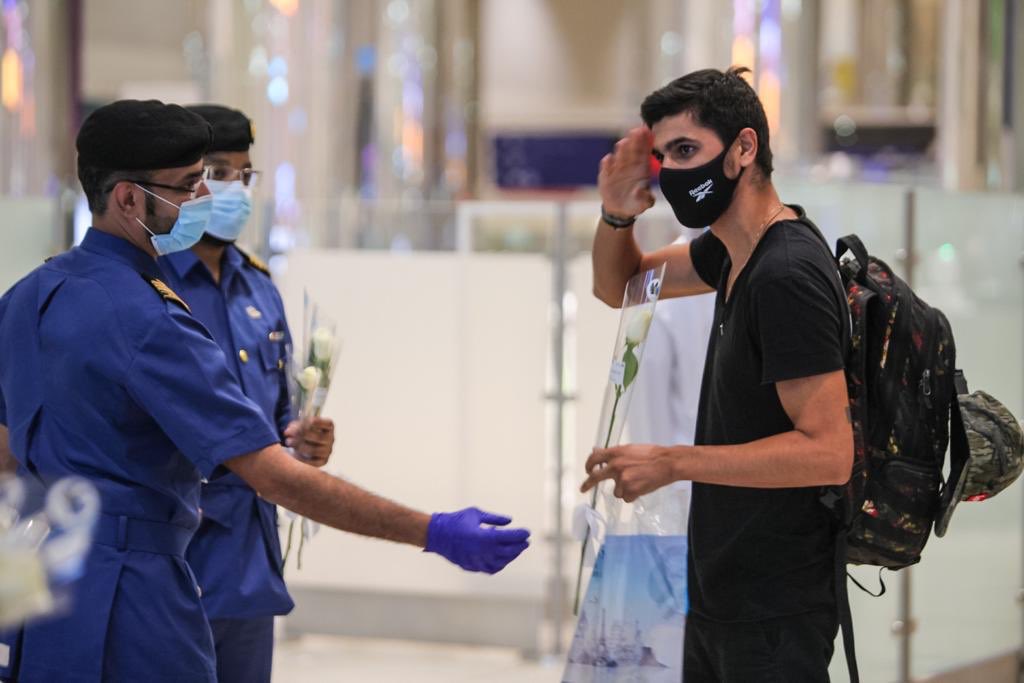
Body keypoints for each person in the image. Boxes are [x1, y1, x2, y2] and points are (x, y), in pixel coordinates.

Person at [0, 99, 529, 682]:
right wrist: (431, 530)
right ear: (128, 198)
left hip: (48, 586)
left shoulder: (28, 296)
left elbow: (5, 456)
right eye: (186, 186)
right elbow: (273, 474)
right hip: (136, 597)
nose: (203, 199)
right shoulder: (151, 319)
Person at [582, 67, 853, 682]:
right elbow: (621, 287)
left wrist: (674, 461)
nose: (673, 172)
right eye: (662, 157)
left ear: (744, 149)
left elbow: (829, 452)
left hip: (774, 613)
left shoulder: (785, 273)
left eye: (687, 151)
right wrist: (617, 214)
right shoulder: (734, 253)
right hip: (721, 597)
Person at [153, 103, 329, 683]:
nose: (235, 188)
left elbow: (275, 417)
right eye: (219, 172)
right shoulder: (148, 286)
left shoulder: (260, 289)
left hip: (250, 562)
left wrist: (302, 440)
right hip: (175, 551)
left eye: (245, 175)